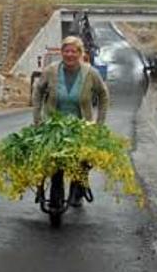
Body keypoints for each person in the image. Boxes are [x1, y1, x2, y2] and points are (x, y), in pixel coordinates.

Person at [32, 35, 110, 206]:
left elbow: (103, 95)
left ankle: (78, 188)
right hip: (54, 125)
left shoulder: (90, 73)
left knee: (81, 159)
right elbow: (38, 91)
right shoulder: (51, 71)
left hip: (81, 125)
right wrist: (37, 118)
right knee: (54, 161)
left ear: (80, 53)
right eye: (66, 51)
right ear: (62, 53)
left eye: (73, 51)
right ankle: (56, 187)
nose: (70, 55)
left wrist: (99, 123)